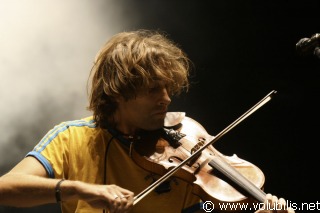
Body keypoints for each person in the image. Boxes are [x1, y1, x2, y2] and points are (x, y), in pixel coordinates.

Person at [0, 29, 295, 213]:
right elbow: (6, 188)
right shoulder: (71, 139)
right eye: (154, 89)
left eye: (169, 88)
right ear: (119, 91)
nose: (167, 99)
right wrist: (78, 189)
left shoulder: (184, 151)